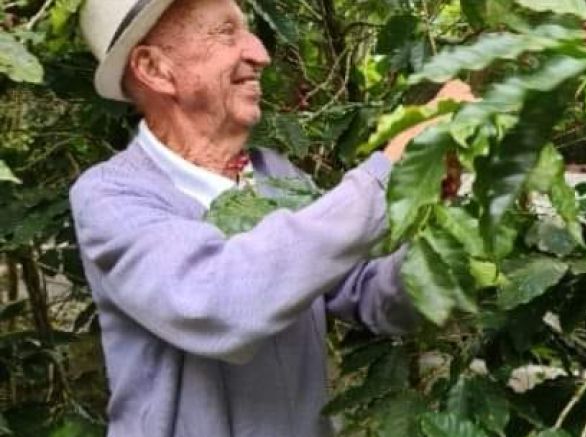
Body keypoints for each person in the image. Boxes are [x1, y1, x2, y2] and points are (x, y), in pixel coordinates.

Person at [72, 0, 473, 436]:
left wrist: (437, 214)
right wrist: (386, 177)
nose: (259, 54)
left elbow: (373, 298)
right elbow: (222, 303)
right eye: (227, 32)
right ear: (155, 69)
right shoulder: (112, 197)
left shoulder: (276, 177)